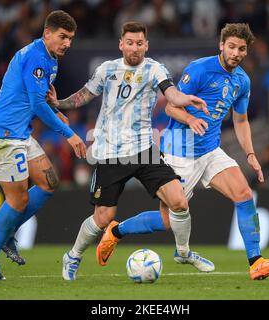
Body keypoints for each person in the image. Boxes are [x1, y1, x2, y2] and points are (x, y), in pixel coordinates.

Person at [97, 23, 269, 280]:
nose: (235, 53)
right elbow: (170, 109)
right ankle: (116, 231)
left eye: (241, 49)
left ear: (246, 51)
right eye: (231, 47)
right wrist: (190, 120)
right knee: (166, 221)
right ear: (221, 45)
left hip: (210, 150)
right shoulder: (199, 69)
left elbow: (241, 121)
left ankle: (256, 262)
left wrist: (251, 155)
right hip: (179, 152)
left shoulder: (242, 80)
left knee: (244, 193)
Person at [47, 21, 212, 281]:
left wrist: (186, 99)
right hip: (110, 152)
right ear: (121, 44)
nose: (135, 48)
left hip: (144, 150)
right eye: (130, 43)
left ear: (146, 45)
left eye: (140, 43)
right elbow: (83, 96)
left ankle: (183, 252)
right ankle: (74, 255)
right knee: (103, 217)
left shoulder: (154, 68)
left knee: (179, 201)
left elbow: (171, 93)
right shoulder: (106, 69)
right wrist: (59, 103)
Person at [0, 10, 86, 280]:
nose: (67, 43)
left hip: (20, 133)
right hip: (2, 134)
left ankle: (8, 232)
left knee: (49, 183)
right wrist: (68, 133)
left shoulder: (51, 58)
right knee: (18, 199)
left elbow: (36, 97)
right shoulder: (36, 57)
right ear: (47, 34)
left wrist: (55, 109)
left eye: (70, 38)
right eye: (62, 37)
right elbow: (35, 103)